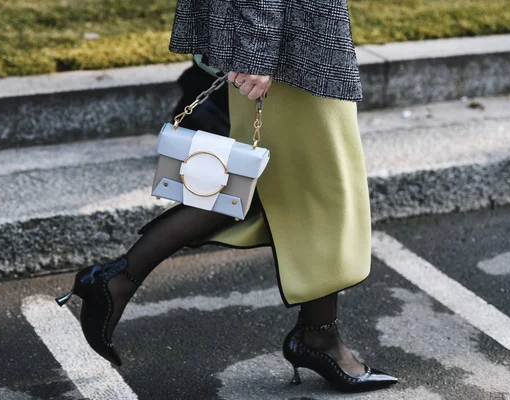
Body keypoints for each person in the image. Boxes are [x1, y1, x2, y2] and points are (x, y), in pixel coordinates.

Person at [55, 0, 398, 393]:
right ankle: (317, 338)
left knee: (273, 191)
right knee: (320, 193)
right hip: (288, 44)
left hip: (290, 37)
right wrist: (256, 51)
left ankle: (117, 280)